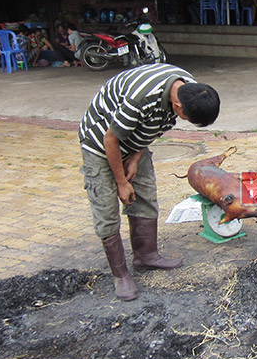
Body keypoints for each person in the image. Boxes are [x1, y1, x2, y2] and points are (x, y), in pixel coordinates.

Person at [79, 64, 220, 301]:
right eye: (186, 118)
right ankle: (120, 274)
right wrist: (121, 182)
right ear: (178, 107)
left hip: (133, 140)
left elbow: (154, 128)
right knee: (106, 205)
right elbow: (111, 140)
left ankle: (146, 256)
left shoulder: (190, 89)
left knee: (145, 192)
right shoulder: (140, 99)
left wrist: (134, 158)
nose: (182, 119)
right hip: (101, 142)